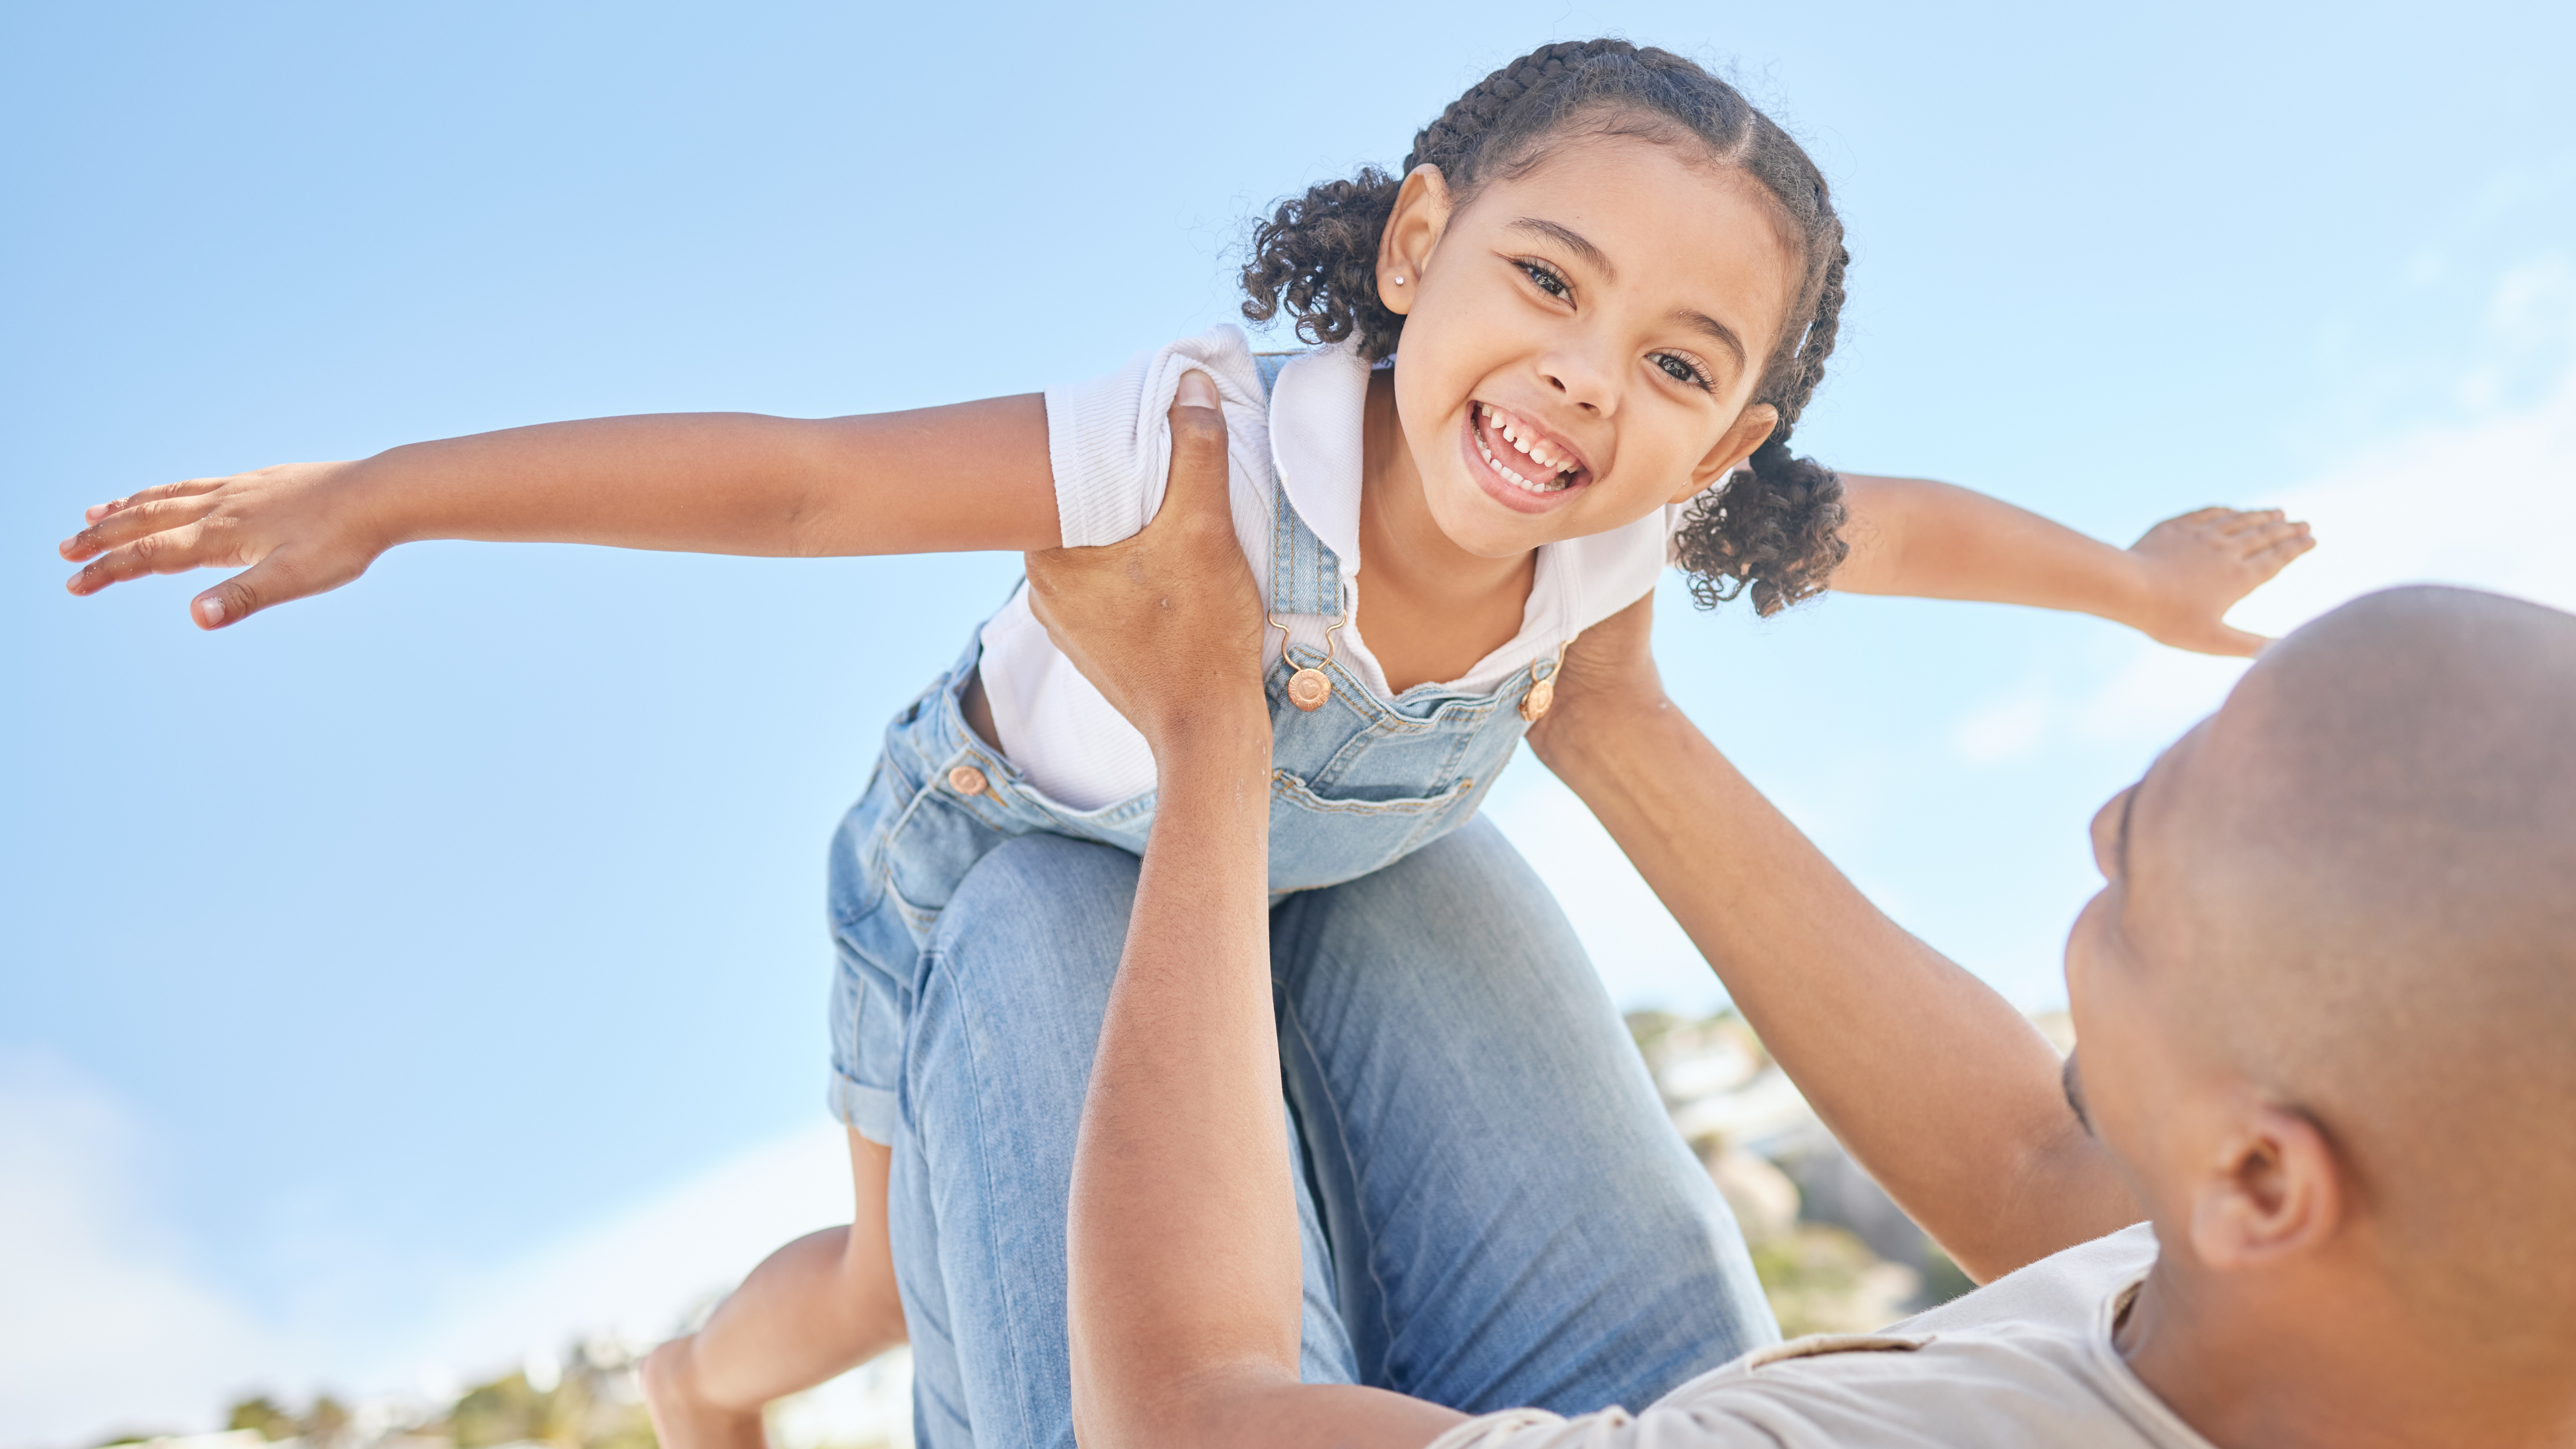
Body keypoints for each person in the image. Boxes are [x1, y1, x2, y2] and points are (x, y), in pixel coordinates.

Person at [57, 42, 2314, 1447]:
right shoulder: (1197, 448)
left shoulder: (1632, 534)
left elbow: (1901, 535)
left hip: (1329, 862)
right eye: (1546, 282)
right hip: (1002, 848)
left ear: (1741, 425)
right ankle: (695, 1388)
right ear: (1418, 245)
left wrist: (2131, 583)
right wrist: (385, 493)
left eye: (1683, 362)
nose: (1585, 387)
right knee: (877, 1280)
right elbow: (809, 478)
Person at [1036, 377, 2576, 1446]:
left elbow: (1186, 1422)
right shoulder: (2376, 1316)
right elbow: (2041, 1175)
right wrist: (1609, 714)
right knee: (1404, 871)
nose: (2098, 823)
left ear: (2259, 1176)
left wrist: (1206, 744)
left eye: (2151, 852)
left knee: (1037, 904)